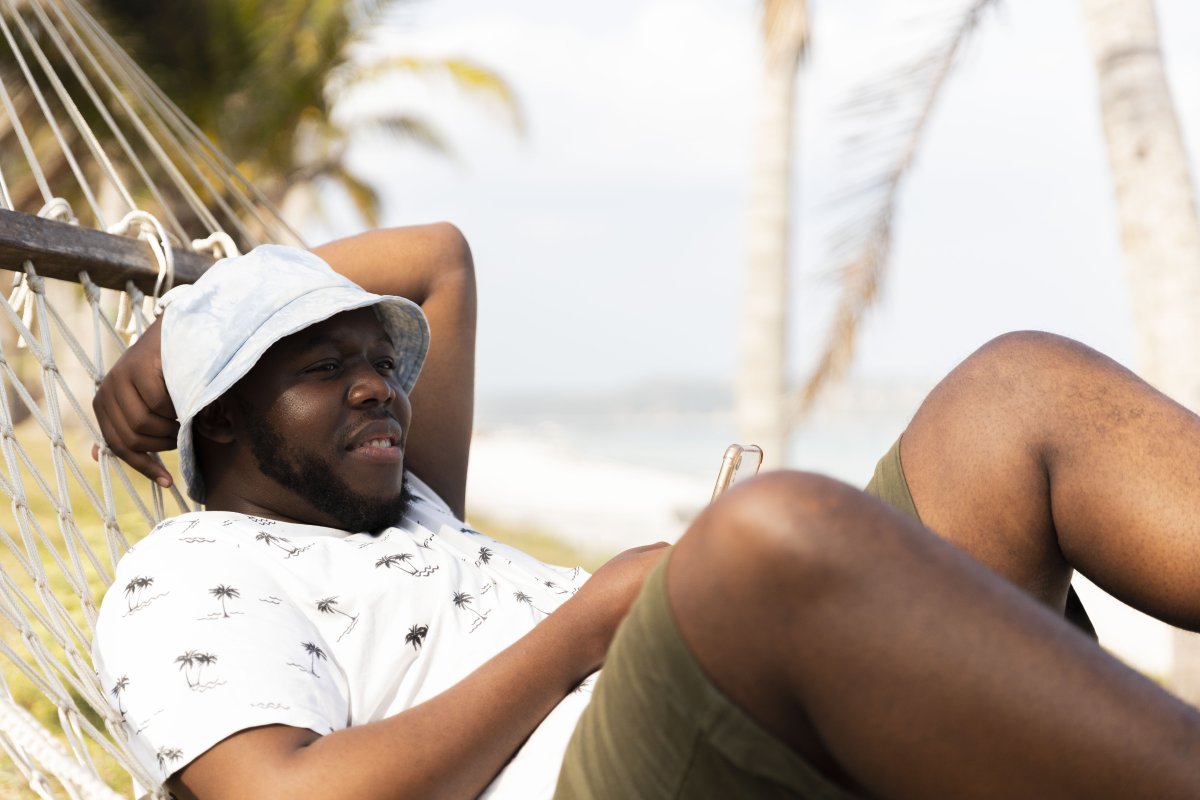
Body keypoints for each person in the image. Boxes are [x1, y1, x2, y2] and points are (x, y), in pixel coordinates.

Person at [91, 225, 1200, 800]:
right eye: (324, 367)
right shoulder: (187, 570)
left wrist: (187, 325)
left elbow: (439, 259)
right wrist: (588, 623)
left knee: (1014, 395)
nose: (378, 385)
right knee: (771, 540)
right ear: (227, 422)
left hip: (735, 724)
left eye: (379, 363)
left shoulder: (416, 508)